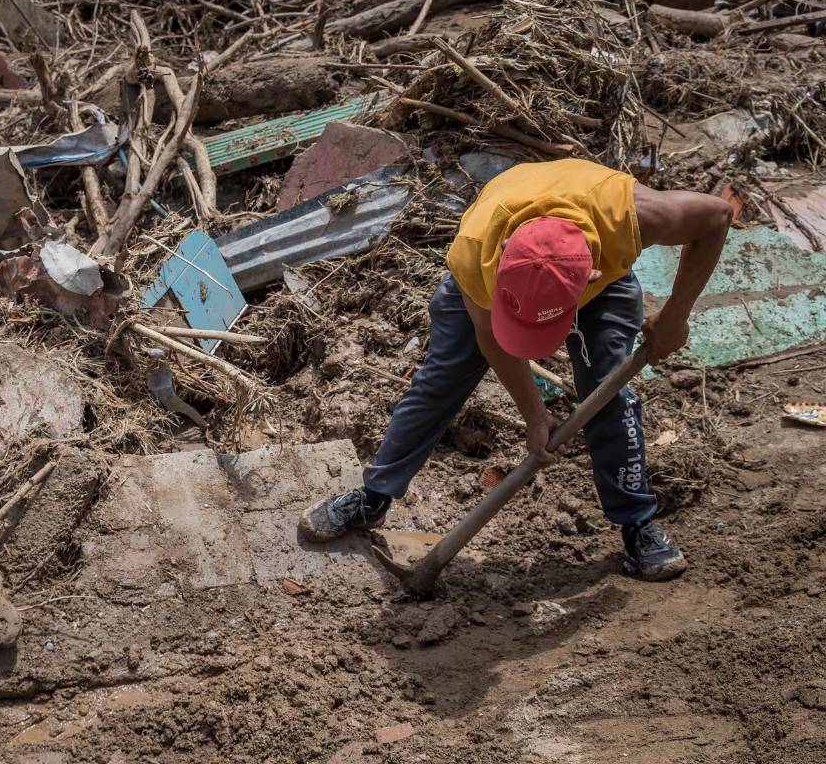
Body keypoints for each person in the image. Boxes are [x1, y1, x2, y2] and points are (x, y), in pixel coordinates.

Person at [298, 158, 731, 581]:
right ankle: (372, 498)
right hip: (489, 283)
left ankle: (637, 523)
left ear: (591, 276)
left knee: (606, 391)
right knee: (440, 381)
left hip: (597, 277)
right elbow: (492, 340)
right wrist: (535, 416)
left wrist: (675, 316)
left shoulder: (634, 217)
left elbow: (718, 216)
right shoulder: (479, 249)